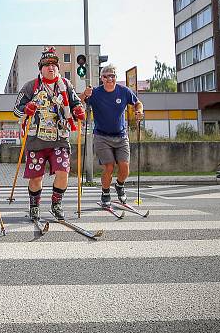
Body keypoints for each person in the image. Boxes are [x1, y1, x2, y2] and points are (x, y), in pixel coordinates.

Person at [13, 47, 85, 221]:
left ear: (58, 68)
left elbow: (76, 103)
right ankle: (35, 206)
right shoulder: (30, 86)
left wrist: (78, 110)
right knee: (36, 177)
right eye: (46, 65)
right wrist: (27, 109)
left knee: (63, 172)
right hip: (36, 140)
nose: (51, 68)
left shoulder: (66, 85)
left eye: (54, 65)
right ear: (40, 68)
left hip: (60, 138)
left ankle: (56, 204)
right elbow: (16, 109)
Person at [79, 64, 144, 207]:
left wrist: (139, 111)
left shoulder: (124, 91)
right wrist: (85, 94)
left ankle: (120, 185)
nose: (109, 78)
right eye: (106, 76)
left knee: (124, 167)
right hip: (102, 136)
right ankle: (105, 192)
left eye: (112, 76)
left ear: (115, 77)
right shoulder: (95, 93)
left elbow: (137, 103)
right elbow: (78, 102)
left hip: (121, 136)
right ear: (101, 78)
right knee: (109, 167)